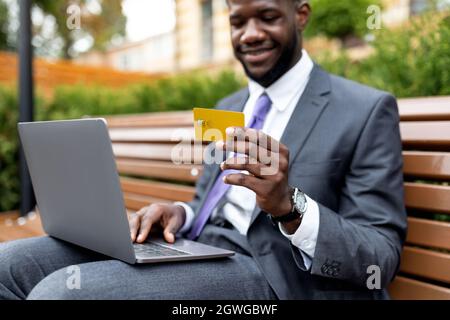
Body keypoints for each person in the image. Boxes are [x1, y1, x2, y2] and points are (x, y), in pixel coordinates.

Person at [0, 0, 407, 300]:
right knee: (7, 266)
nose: (250, 34)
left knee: (63, 295)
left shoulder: (365, 110)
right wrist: (181, 213)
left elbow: (380, 257)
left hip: (275, 280)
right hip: (195, 247)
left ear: (300, 14)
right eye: (237, 21)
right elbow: (209, 199)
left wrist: (290, 207)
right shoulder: (228, 108)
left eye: (267, 17)